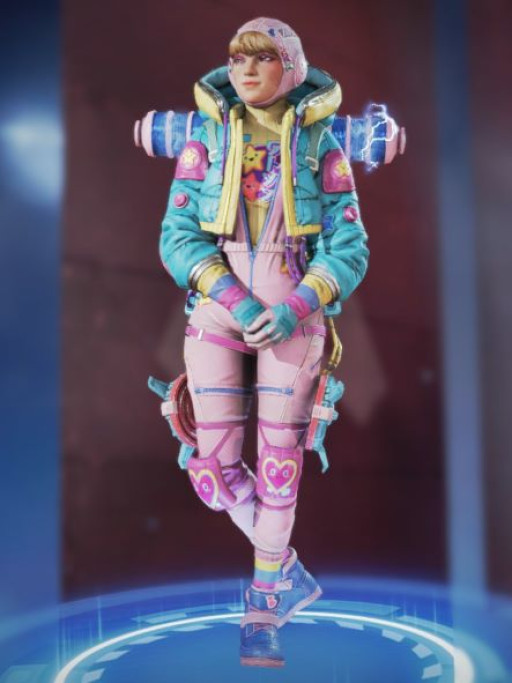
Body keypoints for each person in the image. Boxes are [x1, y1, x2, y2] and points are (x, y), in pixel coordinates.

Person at [159, 16, 369, 667]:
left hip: (293, 314)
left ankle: (263, 606)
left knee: (279, 475)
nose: (246, 70)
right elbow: (177, 236)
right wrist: (240, 301)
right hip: (220, 305)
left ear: (291, 67)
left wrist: (295, 306)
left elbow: (349, 245)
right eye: (238, 58)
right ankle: (288, 569)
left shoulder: (322, 146)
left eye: (262, 58)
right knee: (213, 472)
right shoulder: (205, 139)